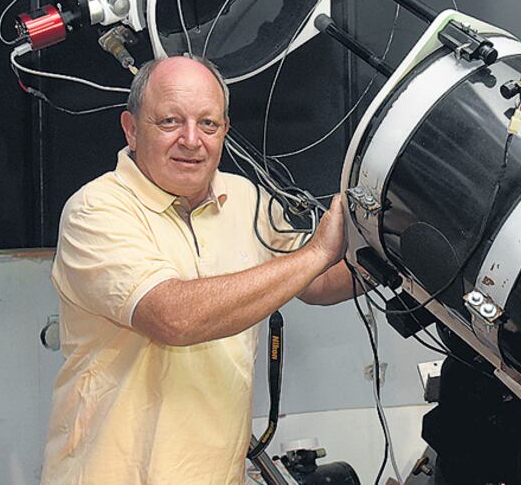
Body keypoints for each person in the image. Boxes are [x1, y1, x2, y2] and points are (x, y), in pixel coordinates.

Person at [40, 55, 354, 485]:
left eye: (208, 124)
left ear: (225, 130)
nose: (192, 140)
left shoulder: (245, 199)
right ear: (131, 129)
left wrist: (389, 259)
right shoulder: (96, 210)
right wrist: (318, 251)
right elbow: (174, 317)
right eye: (170, 121)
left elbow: (313, 281)